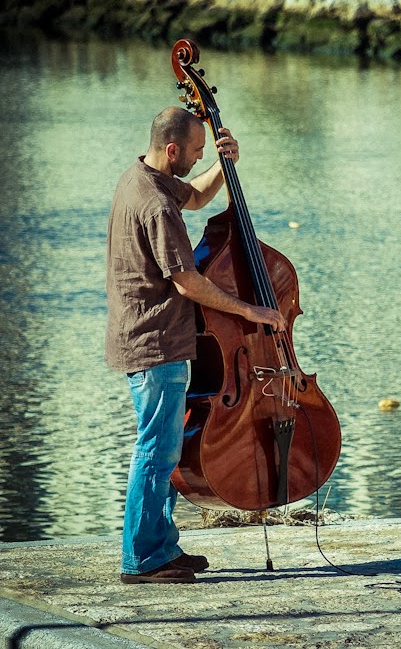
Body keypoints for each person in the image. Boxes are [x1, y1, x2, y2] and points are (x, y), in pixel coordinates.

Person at [106, 107, 286, 584]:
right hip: (156, 342)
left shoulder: (144, 178)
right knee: (155, 451)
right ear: (172, 150)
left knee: (164, 450)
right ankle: (142, 560)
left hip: (160, 340)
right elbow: (187, 281)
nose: (198, 158)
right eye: (196, 152)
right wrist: (250, 310)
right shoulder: (155, 203)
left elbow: (197, 195)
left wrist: (224, 165)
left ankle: (162, 548)